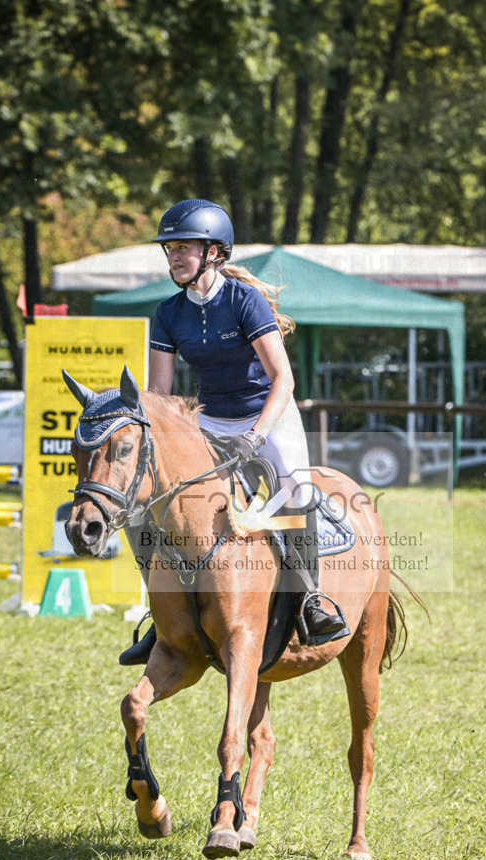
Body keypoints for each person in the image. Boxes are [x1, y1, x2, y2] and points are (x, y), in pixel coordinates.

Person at [120, 199, 348, 665]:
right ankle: (159, 613)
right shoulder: (168, 312)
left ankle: (311, 602)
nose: (174, 257)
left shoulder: (245, 301)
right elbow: (161, 393)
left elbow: (283, 379)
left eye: (185, 248)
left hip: (267, 414)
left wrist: (257, 435)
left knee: (295, 492)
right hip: (207, 420)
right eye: (170, 250)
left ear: (214, 253)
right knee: (150, 506)